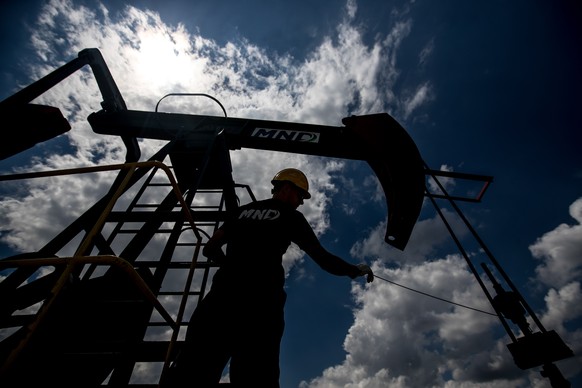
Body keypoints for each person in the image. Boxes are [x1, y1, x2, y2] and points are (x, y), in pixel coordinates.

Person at [161, 168, 374, 387]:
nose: (301, 202)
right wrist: (354, 269)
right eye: (301, 195)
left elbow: (210, 247)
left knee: (191, 373)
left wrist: (232, 268)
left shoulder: (242, 211)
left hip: (219, 303)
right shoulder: (291, 216)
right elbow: (322, 258)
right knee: (256, 377)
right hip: (261, 308)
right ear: (288, 188)